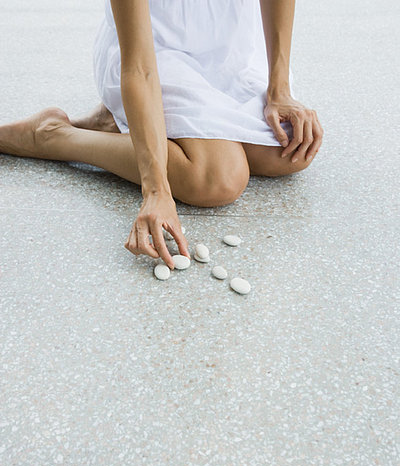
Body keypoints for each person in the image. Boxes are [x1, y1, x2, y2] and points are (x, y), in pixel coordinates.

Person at [0, 0, 323, 270]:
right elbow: (140, 67)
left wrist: (279, 89)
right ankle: (51, 136)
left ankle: (110, 122)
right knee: (215, 180)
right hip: (155, 53)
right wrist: (156, 189)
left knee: (290, 152)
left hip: (233, 48)